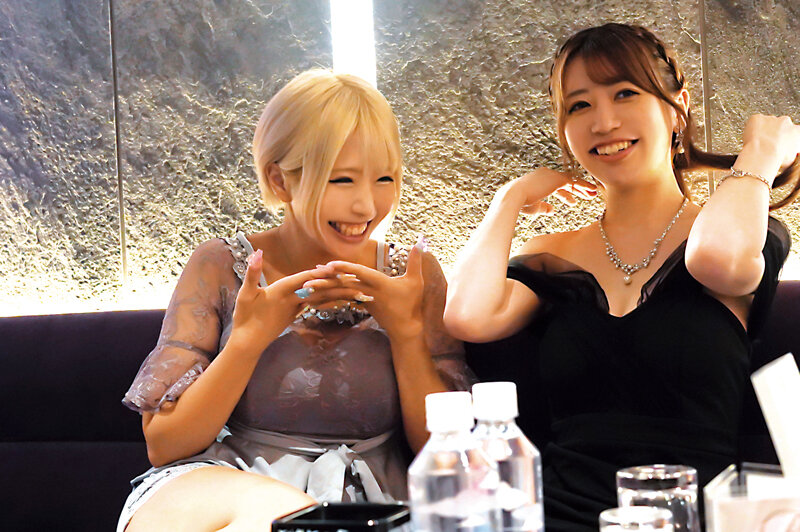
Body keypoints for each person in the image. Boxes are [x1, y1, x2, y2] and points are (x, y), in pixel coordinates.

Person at [444, 23, 800, 531]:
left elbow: (716, 260)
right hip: (556, 516)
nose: (603, 121)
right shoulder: (552, 252)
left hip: (687, 517)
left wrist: (761, 152)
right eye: (579, 105)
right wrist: (510, 198)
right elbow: (467, 316)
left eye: (625, 93)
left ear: (677, 109)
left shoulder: (739, 234)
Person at [118, 69, 467, 532]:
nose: (367, 206)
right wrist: (247, 340)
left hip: (370, 504)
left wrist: (406, 333)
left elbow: (448, 456)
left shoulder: (413, 275)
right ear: (279, 180)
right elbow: (164, 445)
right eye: (342, 180)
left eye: (385, 178)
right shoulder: (221, 265)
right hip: (226, 484)